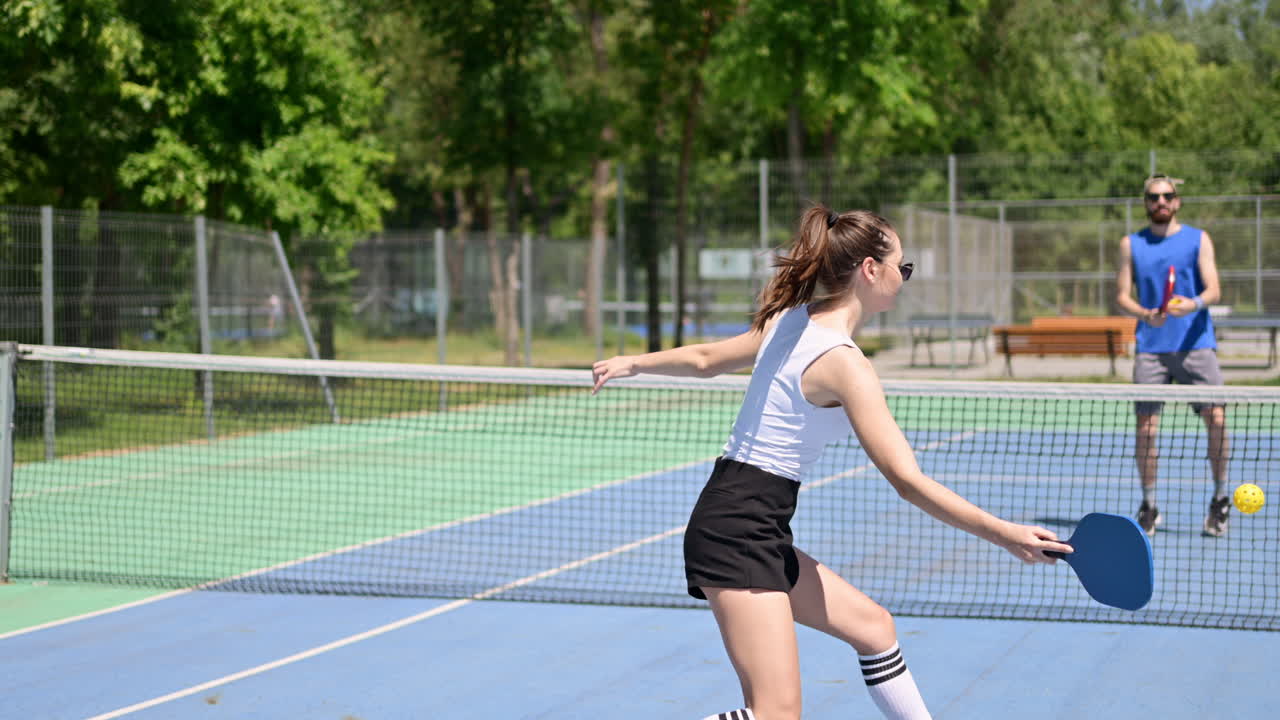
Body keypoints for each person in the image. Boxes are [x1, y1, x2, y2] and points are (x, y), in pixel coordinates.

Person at [592, 206, 1071, 720]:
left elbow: (709, 361)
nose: (903, 277)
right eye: (902, 268)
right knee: (775, 714)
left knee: (874, 628)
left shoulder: (789, 321)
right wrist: (1005, 534)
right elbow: (906, 480)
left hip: (751, 518)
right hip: (739, 527)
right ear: (870, 270)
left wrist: (635, 361)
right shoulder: (845, 364)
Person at [1115, 173, 1229, 538]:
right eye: (1153, 197)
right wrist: (1147, 314)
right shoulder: (1130, 244)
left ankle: (1220, 501)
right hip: (1151, 349)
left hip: (1197, 345)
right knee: (1146, 429)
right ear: (1146, 203)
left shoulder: (1199, 239)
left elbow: (1214, 290)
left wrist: (1191, 304)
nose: (1160, 202)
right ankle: (1149, 505)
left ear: (1177, 201)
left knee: (1217, 421)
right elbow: (1122, 295)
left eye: (1167, 196)